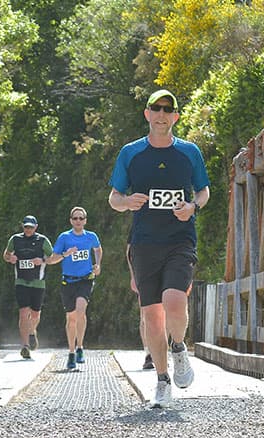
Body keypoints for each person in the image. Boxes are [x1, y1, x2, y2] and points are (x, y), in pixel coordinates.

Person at [108, 89, 210, 408]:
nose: (162, 114)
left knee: (174, 300)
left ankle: (179, 347)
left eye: (168, 109)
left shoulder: (190, 152)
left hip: (180, 239)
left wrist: (192, 206)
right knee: (152, 317)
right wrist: (126, 202)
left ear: (176, 116)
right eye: (157, 109)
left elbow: (204, 191)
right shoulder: (131, 153)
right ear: (147, 114)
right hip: (145, 243)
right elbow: (114, 198)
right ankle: (163, 381)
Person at [45, 207, 102, 370]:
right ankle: (71, 352)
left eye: (81, 218)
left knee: (80, 311)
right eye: (75, 218)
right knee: (71, 318)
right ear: (71, 220)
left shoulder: (91, 236)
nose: (78, 221)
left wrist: (98, 265)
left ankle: (80, 347)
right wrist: (65, 254)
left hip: (85, 280)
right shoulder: (64, 237)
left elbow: (98, 249)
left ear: (85, 220)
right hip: (68, 282)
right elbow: (51, 260)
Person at [3, 215, 53, 359]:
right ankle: (25, 346)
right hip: (21, 281)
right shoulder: (15, 239)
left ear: (36, 227)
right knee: (23, 312)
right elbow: (6, 254)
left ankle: (32, 331)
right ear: (22, 226)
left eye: (31, 227)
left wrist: (42, 260)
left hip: (38, 281)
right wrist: (9, 258)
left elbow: (53, 257)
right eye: (26, 227)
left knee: (36, 314)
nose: (28, 229)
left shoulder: (43, 241)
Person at [128, 243, 154, 370]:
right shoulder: (139, 223)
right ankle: (148, 353)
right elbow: (129, 252)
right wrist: (133, 277)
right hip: (143, 274)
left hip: (165, 271)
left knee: (164, 314)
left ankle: (162, 351)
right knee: (145, 314)